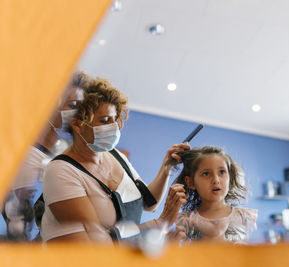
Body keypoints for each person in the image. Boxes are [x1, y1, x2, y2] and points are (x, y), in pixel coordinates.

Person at [40, 78, 189, 243]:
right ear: (77, 124)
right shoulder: (61, 171)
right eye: (105, 121)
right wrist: (158, 224)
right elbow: (96, 240)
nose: (114, 127)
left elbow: (149, 203)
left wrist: (166, 167)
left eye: (114, 119)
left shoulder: (117, 156)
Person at [2, 71, 90, 241]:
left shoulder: (64, 152)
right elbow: (16, 220)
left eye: (81, 107)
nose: (78, 113)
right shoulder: (24, 151)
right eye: (72, 105)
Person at [175, 146, 257, 243]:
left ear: (229, 178)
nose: (216, 180)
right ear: (191, 183)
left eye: (222, 172)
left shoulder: (246, 217)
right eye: (206, 174)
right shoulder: (185, 220)